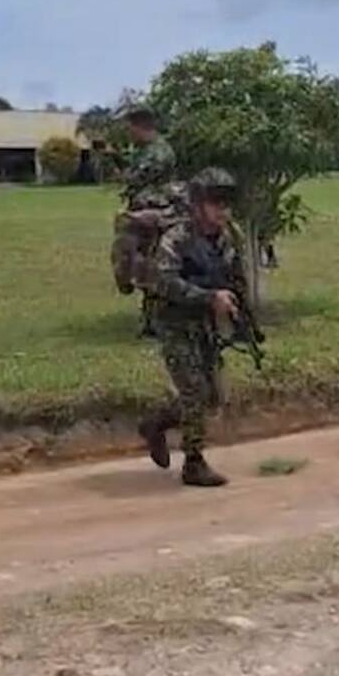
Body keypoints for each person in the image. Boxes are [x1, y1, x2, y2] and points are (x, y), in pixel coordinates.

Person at [138, 168, 250, 488]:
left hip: (205, 325)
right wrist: (207, 296)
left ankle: (156, 423)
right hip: (174, 324)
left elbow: (234, 278)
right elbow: (163, 281)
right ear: (198, 205)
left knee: (213, 397)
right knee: (195, 392)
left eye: (227, 205)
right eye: (216, 204)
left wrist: (239, 315)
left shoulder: (228, 238)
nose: (223, 212)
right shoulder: (177, 238)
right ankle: (194, 462)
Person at [110, 105, 180, 338]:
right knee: (142, 265)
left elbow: (136, 177)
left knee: (147, 264)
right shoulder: (144, 150)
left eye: (130, 128)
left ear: (142, 127)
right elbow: (132, 169)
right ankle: (150, 317)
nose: (129, 133)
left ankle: (153, 315)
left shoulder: (160, 151)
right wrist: (115, 157)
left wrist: (123, 173)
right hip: (141, 211)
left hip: (156, 213)